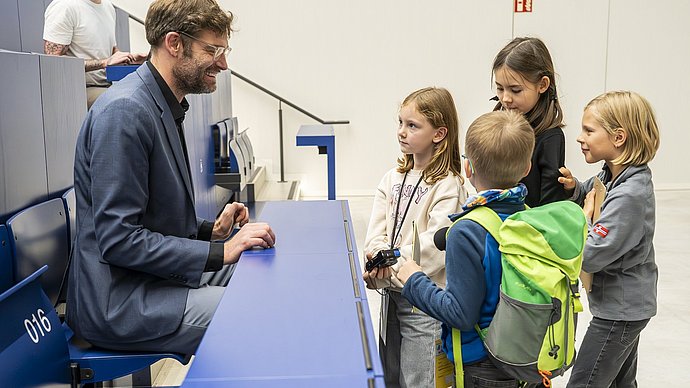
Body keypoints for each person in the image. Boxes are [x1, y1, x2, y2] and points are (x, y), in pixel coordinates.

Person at [67, 0, 275, 358]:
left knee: (263, 275)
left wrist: (212, 232)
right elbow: (119, 240)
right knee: (256, 316)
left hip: (153, 281)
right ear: (174, 43)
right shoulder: (125, 112)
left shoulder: (160, 102)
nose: (224, 64)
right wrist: (218, 252)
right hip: (120, 302)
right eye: (213, 50)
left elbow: (151, 217)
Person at [397, 110, 535, 387]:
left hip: (483, 363)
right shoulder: (529, 216)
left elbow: (460, 313)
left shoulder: (467, 231)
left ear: (468, 168)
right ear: (527, 168)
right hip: (526, 355)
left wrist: (413, 280)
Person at [363, 87, 467, 387]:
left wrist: (385, 269)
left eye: (413, 125)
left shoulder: (450, 186)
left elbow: (433, 252)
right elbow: (375, 235)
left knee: (419, 380)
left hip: (423, 304)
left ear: (439, 134)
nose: (401, 132)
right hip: (392, 298)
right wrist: (377, 257)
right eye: (400, 123)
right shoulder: (391, 178)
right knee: (391, 375)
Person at [559, 91, 660, 388]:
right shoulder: (612, 175)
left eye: (589, 130)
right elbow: (593, 189)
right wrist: (575, 189)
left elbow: (591, 254)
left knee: (584, 382)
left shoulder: (631, 194)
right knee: (620, 383)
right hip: (623, 308)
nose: (580, 137)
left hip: (621, 311)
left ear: (618, 138)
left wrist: (575, 226)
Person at [491, 36, 568, 207]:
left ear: (542, 85)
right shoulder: (498, 126)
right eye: (500, 88)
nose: (505, 98)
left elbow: (549, 207)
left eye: (515, 90)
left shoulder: (550, 138)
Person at [43, 0, 148, 108]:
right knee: (131, 102)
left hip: (107, 84)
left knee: (149, 93)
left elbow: (111, 50)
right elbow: (54, 62)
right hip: (79, 89)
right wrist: (104, 63)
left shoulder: (108, 7)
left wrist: (128, 59)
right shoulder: (64, 6)